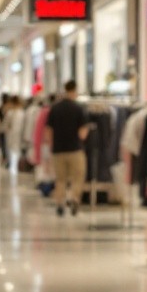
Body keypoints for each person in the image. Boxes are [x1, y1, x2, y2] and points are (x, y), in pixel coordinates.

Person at [44, 80, 91, 216]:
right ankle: (74, 199)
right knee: (78, 178)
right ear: (75, 90)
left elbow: (48, 132)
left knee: (60, 179)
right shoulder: (79, 109)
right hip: (75, 150)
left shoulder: (55, 108)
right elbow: (82, 134)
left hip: (58, 150)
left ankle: (60, 203)